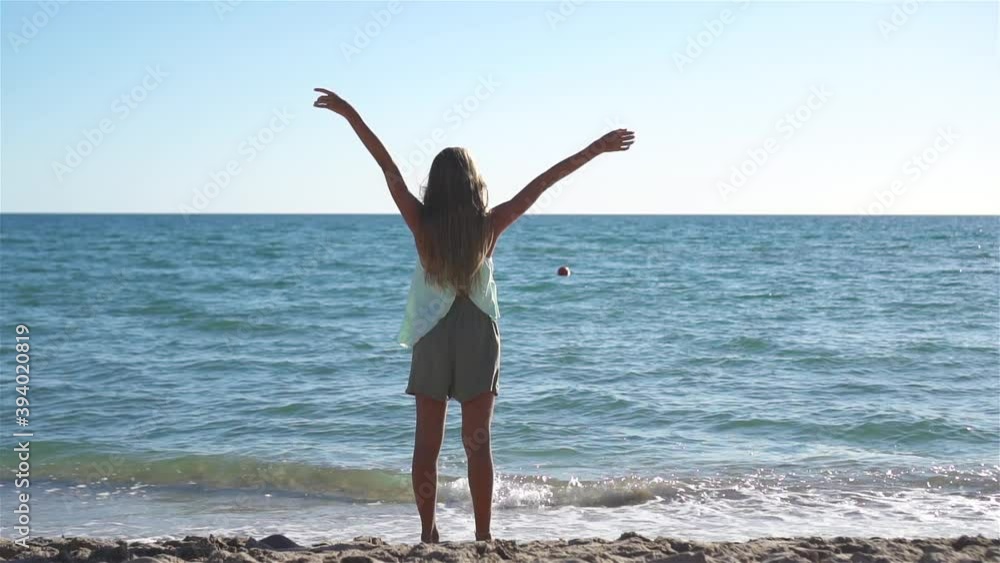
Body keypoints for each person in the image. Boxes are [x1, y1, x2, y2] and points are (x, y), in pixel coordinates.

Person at [313, 87, 635, 542]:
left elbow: (389, 171)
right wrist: (596, 149)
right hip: (478, 333)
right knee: (477, 446)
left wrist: (351, 115)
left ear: (436, 185)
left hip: (432, 331)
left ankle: (429, 534)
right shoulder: (488, 225)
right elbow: (541, 183)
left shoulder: (422, 224)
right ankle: (483, 537)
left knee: (426, 448)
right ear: (473, 183)